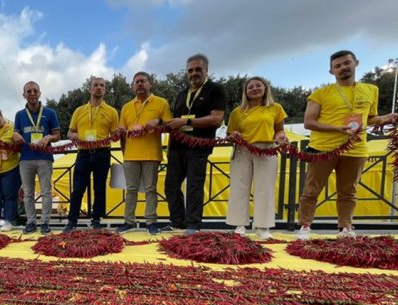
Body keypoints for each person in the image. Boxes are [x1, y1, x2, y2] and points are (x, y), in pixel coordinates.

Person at [296, 50, 398, 239]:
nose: (343, 68)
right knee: (311, 190)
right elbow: (309, 122)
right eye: (337, 66)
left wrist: (384, 118)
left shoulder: (371, 90)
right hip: (323, 149)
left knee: (348, 191)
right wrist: (338, 129)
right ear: (331, 71)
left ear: (356, 63)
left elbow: (370, 117)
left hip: (356, 149)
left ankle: (345, 228)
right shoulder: (320, 93)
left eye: (346, 63)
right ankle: (304, 227)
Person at [166, 54, 227, 235]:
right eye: (190, 70)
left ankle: (193, 225)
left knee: (194, 186)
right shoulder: (181, 94)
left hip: (199, 146)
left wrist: (186, 122)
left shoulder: (215, 89)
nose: (194, 73)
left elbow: (217, 119)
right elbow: (174, 122)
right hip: (177, 147)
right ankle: (177, 222)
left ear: (206, 70)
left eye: (198, 69)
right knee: (170, 186)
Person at [225, 77, 289, 240]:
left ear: (265, 88)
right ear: (245, 92)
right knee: (239, 188)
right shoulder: (237, 112)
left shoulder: (275, 108)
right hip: (242, 150)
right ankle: (239, 226)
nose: (254, 89)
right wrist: (233, 135)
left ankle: (263, 227)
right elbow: (229, 134)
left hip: (266, 149)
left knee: (265, 188)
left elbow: (279, 130)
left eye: (258, 85)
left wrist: (281, 137)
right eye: (250, 87)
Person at [117, 72, 172, 235]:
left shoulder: (161, 102)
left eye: (143, 81)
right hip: (130, 155)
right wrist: (123, 145)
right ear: (132, 86)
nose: (140, 84)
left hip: (151, 154)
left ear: (150, 83)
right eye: (137, 82)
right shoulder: (126, 107)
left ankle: (151, 222)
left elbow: (169, 125)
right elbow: (122, 131)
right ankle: (128, 222)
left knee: (150, 189)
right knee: (130, 190)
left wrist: (158, 121)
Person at [64, 77, 119, 233]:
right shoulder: (79, 110)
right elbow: (70, 132)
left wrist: (118, 134)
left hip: (102, 153)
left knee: (99, 188)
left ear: (105, 90)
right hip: (83, 153)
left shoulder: (112, 111)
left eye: (102, 85)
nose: (99, 88)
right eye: (95, 85)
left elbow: (115, 135)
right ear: (89, 89)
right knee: (78, 188)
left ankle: (96, 220)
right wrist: (73, 136)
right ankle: (72, 221)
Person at [12, 81, 60, 234]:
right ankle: (31, 222)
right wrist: (15, 135)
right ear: (24, 95)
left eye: (35, 91)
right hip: (25, 158)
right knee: (28, 193)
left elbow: (58, 135)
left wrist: (48, 137)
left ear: (40, 93)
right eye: (29, 91)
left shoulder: (50, 112)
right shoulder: (19, 115)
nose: (32, 93)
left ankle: (45, 222)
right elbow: (16, 133)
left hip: (44, 158)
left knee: (46, 191)